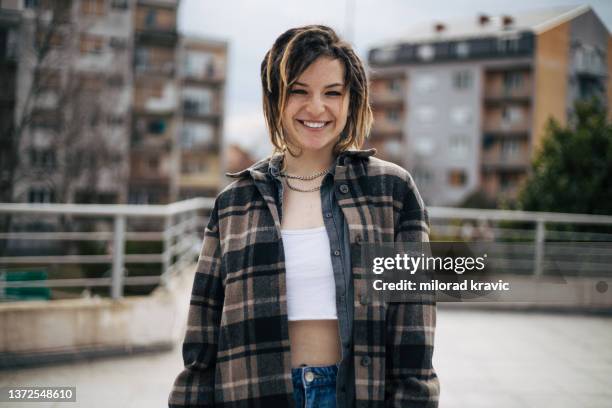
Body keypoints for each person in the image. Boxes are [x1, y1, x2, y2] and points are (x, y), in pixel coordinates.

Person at [168, 25, 439, 408]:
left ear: (351, 100)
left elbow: (414, 332)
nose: (317, 108)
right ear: (276, 98)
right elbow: (202, 339)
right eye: (299, 91)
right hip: (252, 395)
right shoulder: (235, 202)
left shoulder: (393, 193)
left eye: (332, 93)